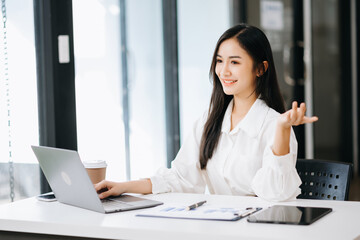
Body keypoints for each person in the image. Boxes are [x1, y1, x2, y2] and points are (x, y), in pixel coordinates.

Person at [95, 24, 318, 202]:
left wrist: (282, 129)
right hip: (219, 228)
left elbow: (276, 194)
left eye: (235, 62)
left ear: (260, 69)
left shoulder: (273, 124)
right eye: (220, 61)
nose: (224, 71)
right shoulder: (210, 120)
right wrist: (123, 187)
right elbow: (181, 178)